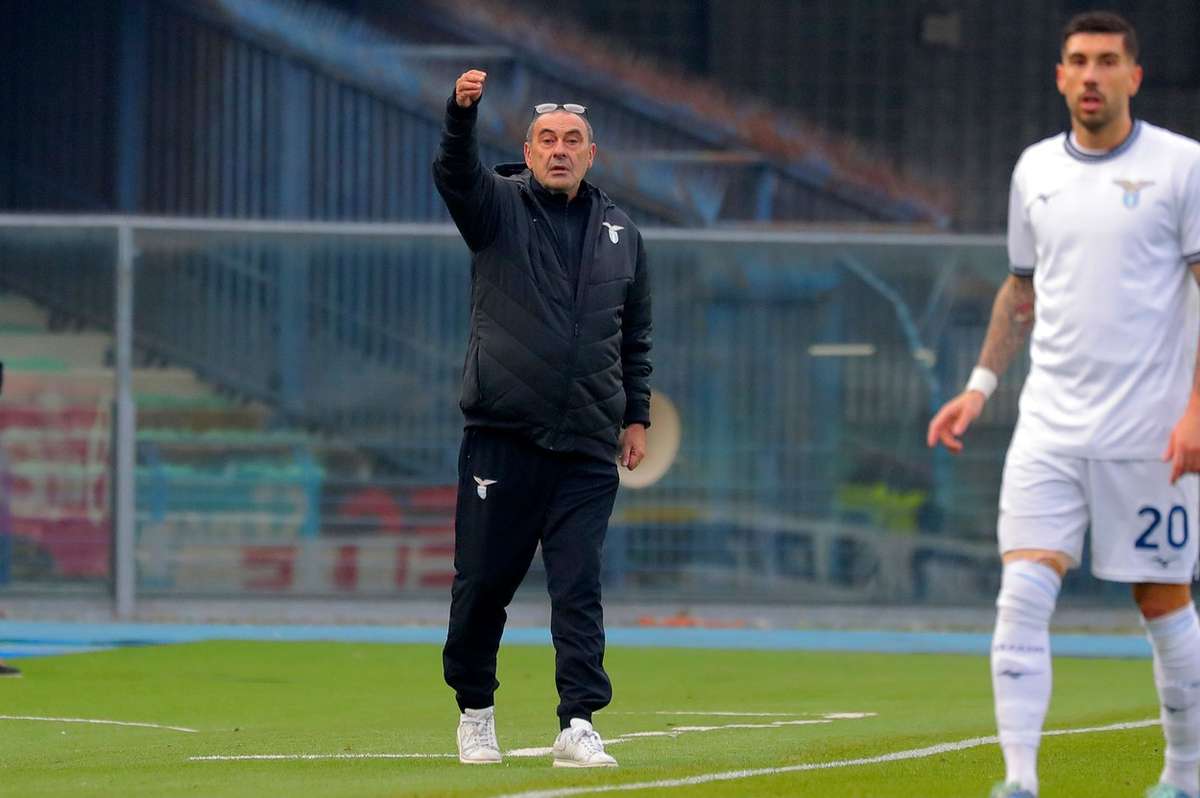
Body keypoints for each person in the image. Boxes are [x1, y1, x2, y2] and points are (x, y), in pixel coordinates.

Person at [927, 11, 1200, 798]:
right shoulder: (1034, 170)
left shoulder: (1181, 168)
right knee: (1023, 587)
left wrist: (1196, 411)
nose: (1090, 75)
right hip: (1048, 427)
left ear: (1133, 76)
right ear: (1059, 75)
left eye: (1107, 61)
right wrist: (979, 389)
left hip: (1149, 435)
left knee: (1163, 601)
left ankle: (1182, 779)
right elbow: (1022, 290)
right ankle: (1019, 782)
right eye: (1077, 61)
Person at [432, 69, 652, 768]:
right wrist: (461, 116)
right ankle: (475, 710)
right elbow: (453, 172)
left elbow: (634, 336)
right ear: (527, 153)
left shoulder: (622, 233)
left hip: (588, 444)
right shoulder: (495, 207)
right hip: (503, 438)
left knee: (578, 585)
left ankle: (579, 721)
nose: (560, 150)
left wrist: (636, 416)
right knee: (484, 584)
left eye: (573, 141)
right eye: (548, 140)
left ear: (593, 155)